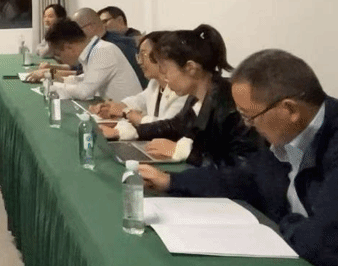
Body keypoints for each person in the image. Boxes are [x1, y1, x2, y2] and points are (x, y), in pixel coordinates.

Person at [138, 50, 338, 266]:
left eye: (249, 116)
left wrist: (285, 220)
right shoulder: (287, 138)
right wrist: (171, 181)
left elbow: (324, 243)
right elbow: (244, 177)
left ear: (290, 110)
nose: (247, 125)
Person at [100, 25, 262, 167]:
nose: (163, 76)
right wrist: (130, 132)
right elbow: (175, 126)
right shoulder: (196, 98)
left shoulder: (230, 105)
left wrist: (183, 154)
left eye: (165, 69)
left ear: (191, 68)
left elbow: (241, 167)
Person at [89, 31, 187, 125]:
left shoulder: (183, 89)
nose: (140, 62)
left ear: (163, 55)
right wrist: (113, 107)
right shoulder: (154, 83)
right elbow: (139, 100)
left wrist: (127, 113)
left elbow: (167, 126)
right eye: (139, 56)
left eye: (143, 55)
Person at [38, 19, 142, 101]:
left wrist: (52, 86)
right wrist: (55, 77)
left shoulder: (103, 51)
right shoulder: (93, 50)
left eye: (58, 55)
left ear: (68, 47)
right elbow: (87, 79)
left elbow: (84, 92)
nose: (60, 59)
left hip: (128, 114)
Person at [74, 8, 146, 87]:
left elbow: (88, 86)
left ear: (90, 27)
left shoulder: (110, 47)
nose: (75, 35)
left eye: (76, 30)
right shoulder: (100, 44)